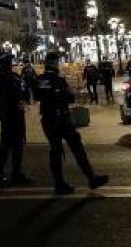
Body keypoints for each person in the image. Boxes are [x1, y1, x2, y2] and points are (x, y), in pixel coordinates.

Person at [34, 52, 108, 195]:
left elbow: (37, 96)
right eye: (58, 62)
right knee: (77, 148)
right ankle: (91, 178)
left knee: (55, 151)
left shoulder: (40, 79)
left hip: (48, 119)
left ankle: (59, 183)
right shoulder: (59, 80)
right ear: (55, 64)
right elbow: (69, 98)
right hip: (62, 119)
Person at [0, 52, 32, 186]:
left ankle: (17, 173)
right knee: (6, 145)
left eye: (10, 61)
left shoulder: (15, 76)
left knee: (18, 145)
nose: (10, 64)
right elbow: (3, 94)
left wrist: (24, 99)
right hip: (8, 114)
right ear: (3, 62)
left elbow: (24, 89)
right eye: (8, 61)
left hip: (18, 113)